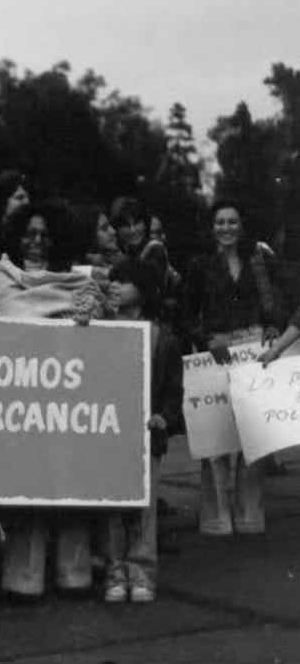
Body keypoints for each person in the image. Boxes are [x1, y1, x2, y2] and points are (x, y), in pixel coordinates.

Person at [0, 199, 104, 599]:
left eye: (45, 235)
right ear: (17, 236)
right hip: (19, 396)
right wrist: (71, 308)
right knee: (23, 485)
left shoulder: (79, 278)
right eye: (30, 233)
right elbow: (16, 312)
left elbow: (95, 316)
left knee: (71, 483)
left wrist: (84, 307)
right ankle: (23, 577)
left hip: (69, 395)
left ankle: (75, 573)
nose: (37, 242)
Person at [182, 200, 284, 536]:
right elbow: (185, 312)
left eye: (232, 222)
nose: (226, 228)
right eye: (220, 222)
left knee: (253, 436)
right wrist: (204, 339)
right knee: (215, 438)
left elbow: (275, 302)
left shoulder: (259, 260)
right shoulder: (200, 265)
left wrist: (273, 328)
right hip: (217, 351)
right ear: (212, 228)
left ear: (242, 226)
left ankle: (249, 515)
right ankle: (216, 519)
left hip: (254, 349)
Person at [101, 261, 183, 603]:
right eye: (112, 281)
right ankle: (114, 572)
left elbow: (174, 389)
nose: (114, 286)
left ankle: (142, 572)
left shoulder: (162, 336)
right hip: (108, 435)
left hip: (147, 436)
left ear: (144, 288)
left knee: (145, 509)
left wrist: (165, 416)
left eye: (123, 280)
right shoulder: (100, 329)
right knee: (112, 508)